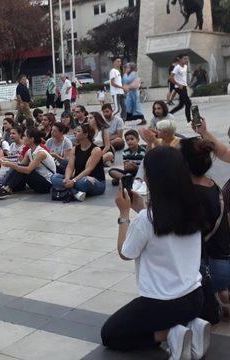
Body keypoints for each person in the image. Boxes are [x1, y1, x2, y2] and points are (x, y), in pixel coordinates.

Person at [101, 146, 209, 360]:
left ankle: (172, 334)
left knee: (111, 335)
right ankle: (192, 324)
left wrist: (124, 214)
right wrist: (140, 209)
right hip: (195, 297)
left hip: (162, 304)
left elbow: (126, 252)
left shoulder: (147, 219)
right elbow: (163, 231)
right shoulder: (194, 206)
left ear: (153, 179)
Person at [181, 137, 230, 320]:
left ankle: (214, 300)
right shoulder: (212, 185)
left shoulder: (189, 194)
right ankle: (222, 295)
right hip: (224, 260)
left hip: (207, 268)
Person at [0, 128, 55, 199]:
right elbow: (19, 167)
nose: (23, 138)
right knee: (20, 167)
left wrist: (10, 164)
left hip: (46, 185)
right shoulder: (29, 151)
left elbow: (28, 170)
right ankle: (4, 186)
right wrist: (9, 162)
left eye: (25, 136)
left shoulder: (40, 153)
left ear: (32, 139)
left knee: (24, 169)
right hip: (38, 180)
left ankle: (7, 189)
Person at [50, 124, 106, 201]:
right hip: (77, 179)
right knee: (54, 177)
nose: (75, 132)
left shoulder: (96, 150)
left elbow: (88, 170)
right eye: (75, 130)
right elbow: (70, 166)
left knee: (86, 181)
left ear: (86, 134)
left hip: (94, 181)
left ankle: (68, 190)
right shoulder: (75, 149)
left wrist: (73, 181)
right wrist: (67, 179)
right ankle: (75, 192)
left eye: (78, 131)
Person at [169, 54, 192, 123]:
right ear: (180, 59)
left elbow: (182, 77)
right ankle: (189, 120)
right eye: (185, 59)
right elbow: (170, 78)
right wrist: (178, 85)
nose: (186, 60)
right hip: (179, 88)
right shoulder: (177, 67)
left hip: (184, 87)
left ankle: (168, 114)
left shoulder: (185, 66)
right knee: (188, 103)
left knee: (181, 105)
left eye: (187, 59)